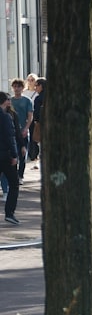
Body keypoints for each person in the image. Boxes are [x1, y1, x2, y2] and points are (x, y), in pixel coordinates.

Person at [0, 92, 20, 224]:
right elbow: (10, 137)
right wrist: (14, 154)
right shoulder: (6, 117)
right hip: (5, 155)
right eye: (8, 100)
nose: (9, 102)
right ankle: (9, 213)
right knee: (14, 183)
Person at [10, 79, 32, 181]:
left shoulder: (27, 101)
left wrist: (26, 128)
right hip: (12, 131)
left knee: (22, 154)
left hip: (23, 130)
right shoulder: (10, 101)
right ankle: (14, 175)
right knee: (13, 154)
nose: (17, 89)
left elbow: (30, 116)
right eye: (15, 86)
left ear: (23, 88)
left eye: (19, 86)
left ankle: (20, 175)